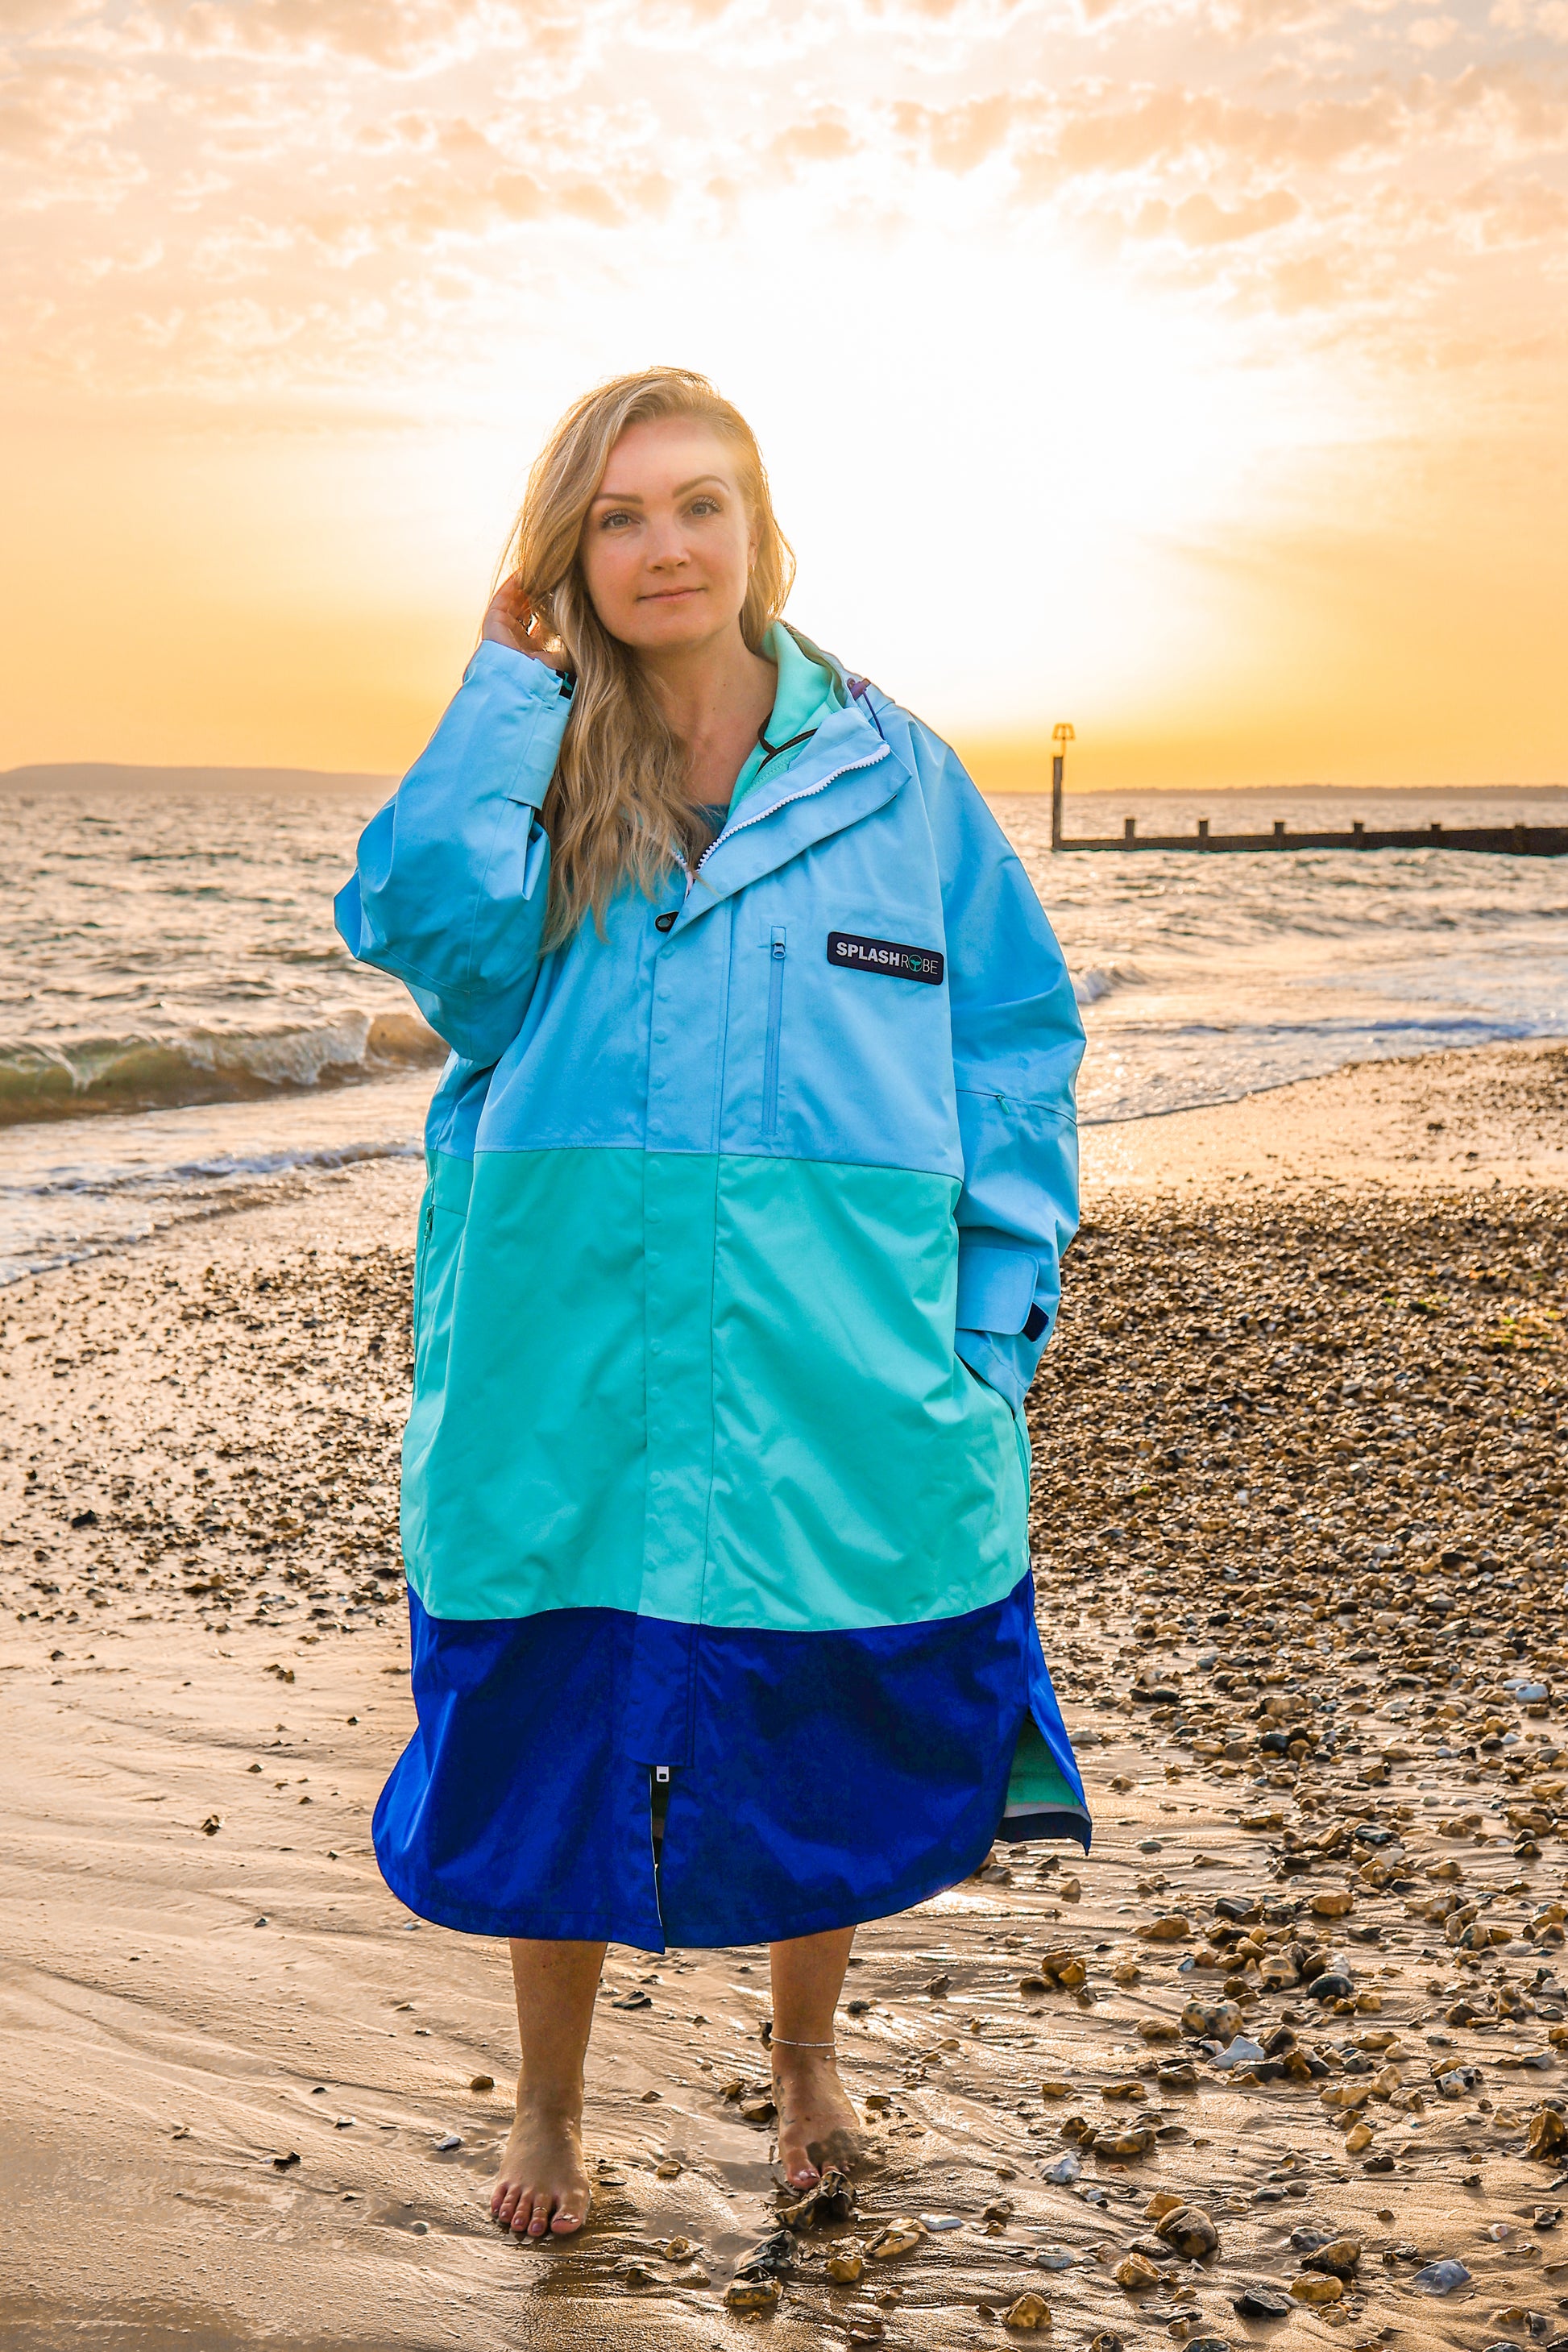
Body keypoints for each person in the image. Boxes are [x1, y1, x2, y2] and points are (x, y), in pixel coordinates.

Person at [334, 366, 1089, 2243]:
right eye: (616, 514)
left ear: (761, 533)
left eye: (696, 504)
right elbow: (422, 933)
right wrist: (506, 688)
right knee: (547, 1713)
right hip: (563, 1339)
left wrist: (994, 1316)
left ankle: (809, 2057)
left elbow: (1012, 1049)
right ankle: (552, 2104)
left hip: (830, 1351)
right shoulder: (546, 760)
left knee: (813, 1696)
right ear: (566, 556)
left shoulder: (901, 779)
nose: (661, 544)